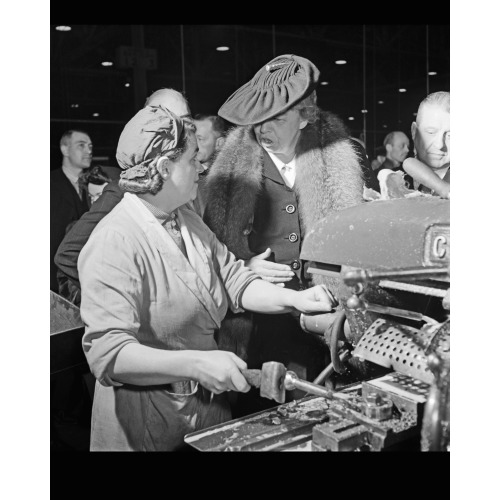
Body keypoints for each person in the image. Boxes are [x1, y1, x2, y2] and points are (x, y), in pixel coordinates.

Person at [78, 105, 335, 451]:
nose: (201, 167)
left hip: (205, 410)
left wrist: (296, 299)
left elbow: (235, 281)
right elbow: (109, 355)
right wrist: (197, 364)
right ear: (163, 168)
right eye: (192, 160)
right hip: (147, 422)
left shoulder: (187, 219)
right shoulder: (115, 241)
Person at [203, 54, 364, 414]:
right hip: (257, 329)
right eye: (259, 120)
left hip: (322, 325)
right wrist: (243, 266)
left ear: (306, 117)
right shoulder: (226, 178)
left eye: (276, 118)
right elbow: (207, 254)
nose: (264, 129)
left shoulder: (337, 164)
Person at [54, 88, 192, 303]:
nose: (177, 128)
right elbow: (68, 254)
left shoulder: (195, 181)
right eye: (167, 119)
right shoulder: (126, 188)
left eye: (184, 120)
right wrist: (117, 302)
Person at [50, 130, 92, 292]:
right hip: (55, 281)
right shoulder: (49, 183)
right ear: (65, 150)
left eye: (90, 146)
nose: (88, 151)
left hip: (86, 277)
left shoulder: (96, 184)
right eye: (81, 145)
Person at [403, 91, 450, 196]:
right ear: (414, 132)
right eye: (431, 132)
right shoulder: (394, 179)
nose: (439, 145)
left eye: (450, 136)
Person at [189, 114, 228, 216]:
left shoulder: (231, 179)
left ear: (219, 143)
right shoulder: (186, 174)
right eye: (191, 136)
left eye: (200, 139)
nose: (193, 143)